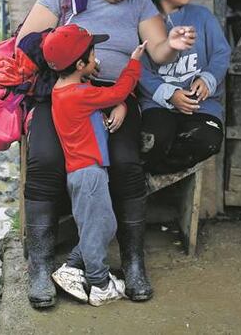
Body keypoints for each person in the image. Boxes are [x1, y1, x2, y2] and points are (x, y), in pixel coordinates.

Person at [15, 0, 198, 308]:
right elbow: (26, 42)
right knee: (46, 160)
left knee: (127, 163)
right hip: (64, 99)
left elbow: (157, 52)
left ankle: (132, 263)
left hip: (117, 101)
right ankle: (39, 266)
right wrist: (77, 77)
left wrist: (172, 43)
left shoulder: (138, 1)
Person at [44, 25, 147, 306]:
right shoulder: (80, 95)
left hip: (85, 171)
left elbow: (86, 85)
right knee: (99, 227)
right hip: (88, 174)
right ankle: (100, 284)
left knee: (101, 226)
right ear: (79, 64)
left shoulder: (65, 89)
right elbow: (119, 92)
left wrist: (87, 70)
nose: (96, 57)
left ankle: (71, 268)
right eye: (92, 54)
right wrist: (134, 62)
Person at [138, 0, 229, 175]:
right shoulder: (144, 24)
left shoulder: (202, 16)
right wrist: (169, 94)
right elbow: (139, 70)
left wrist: (207, 78)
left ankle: (152, 174)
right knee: (154, 139)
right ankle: (143, 177)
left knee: (207, 139)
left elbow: (221, 53)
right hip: (158, 105)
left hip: (202, 106)